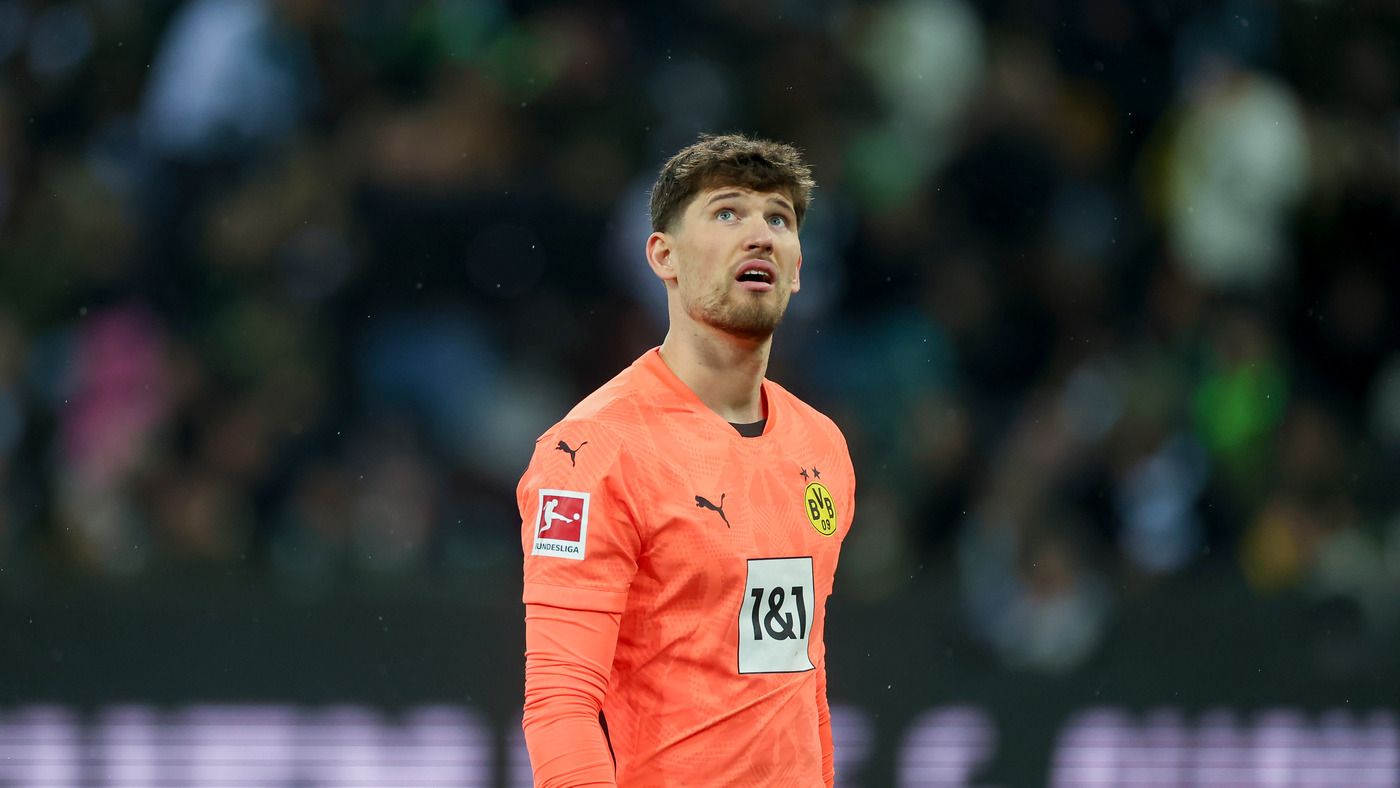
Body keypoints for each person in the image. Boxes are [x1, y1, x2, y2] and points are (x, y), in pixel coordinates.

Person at [518, 133, 855, 787]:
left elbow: (801, 681)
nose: (759, 236)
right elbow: (560, 705)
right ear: (663, 256)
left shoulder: (821, 447)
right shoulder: (591, 453)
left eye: (779, 219)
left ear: (797, 269)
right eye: (727, 213)